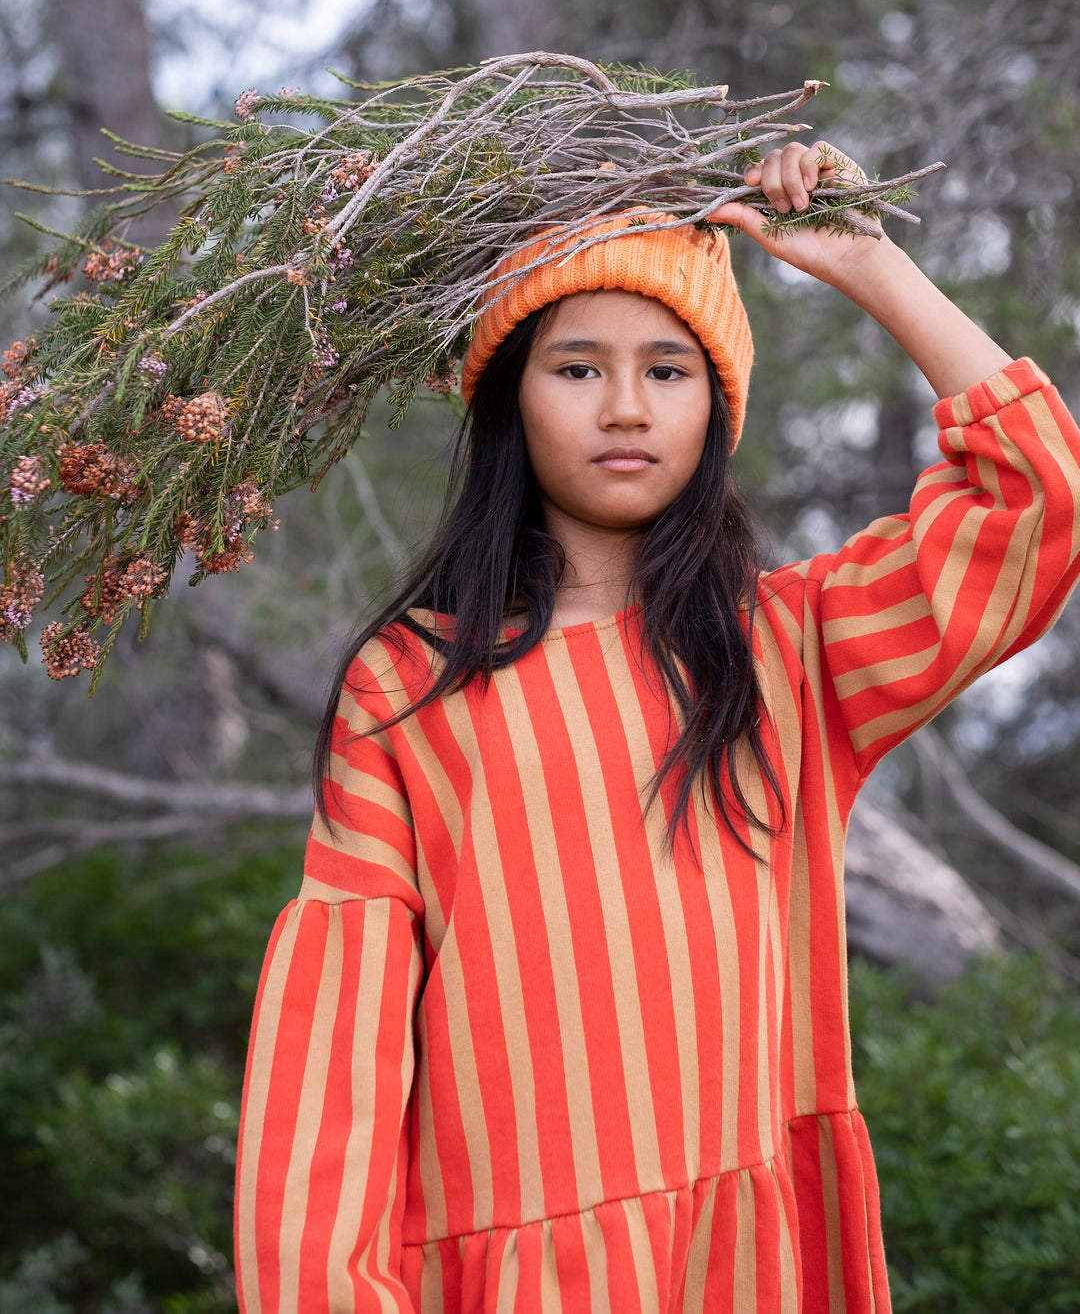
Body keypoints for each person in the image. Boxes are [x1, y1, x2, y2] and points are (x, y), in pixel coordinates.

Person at [233, 140, 1080, 1314]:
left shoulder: (787, 650)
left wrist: (873, 270)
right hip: (510, 1276)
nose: (626, 407)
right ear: (508, 396)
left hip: (747, 1263)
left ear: (717, 407)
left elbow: (1034, 500)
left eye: (670, 371)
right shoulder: (412, 685)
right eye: (577, 368)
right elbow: (340, 1049)